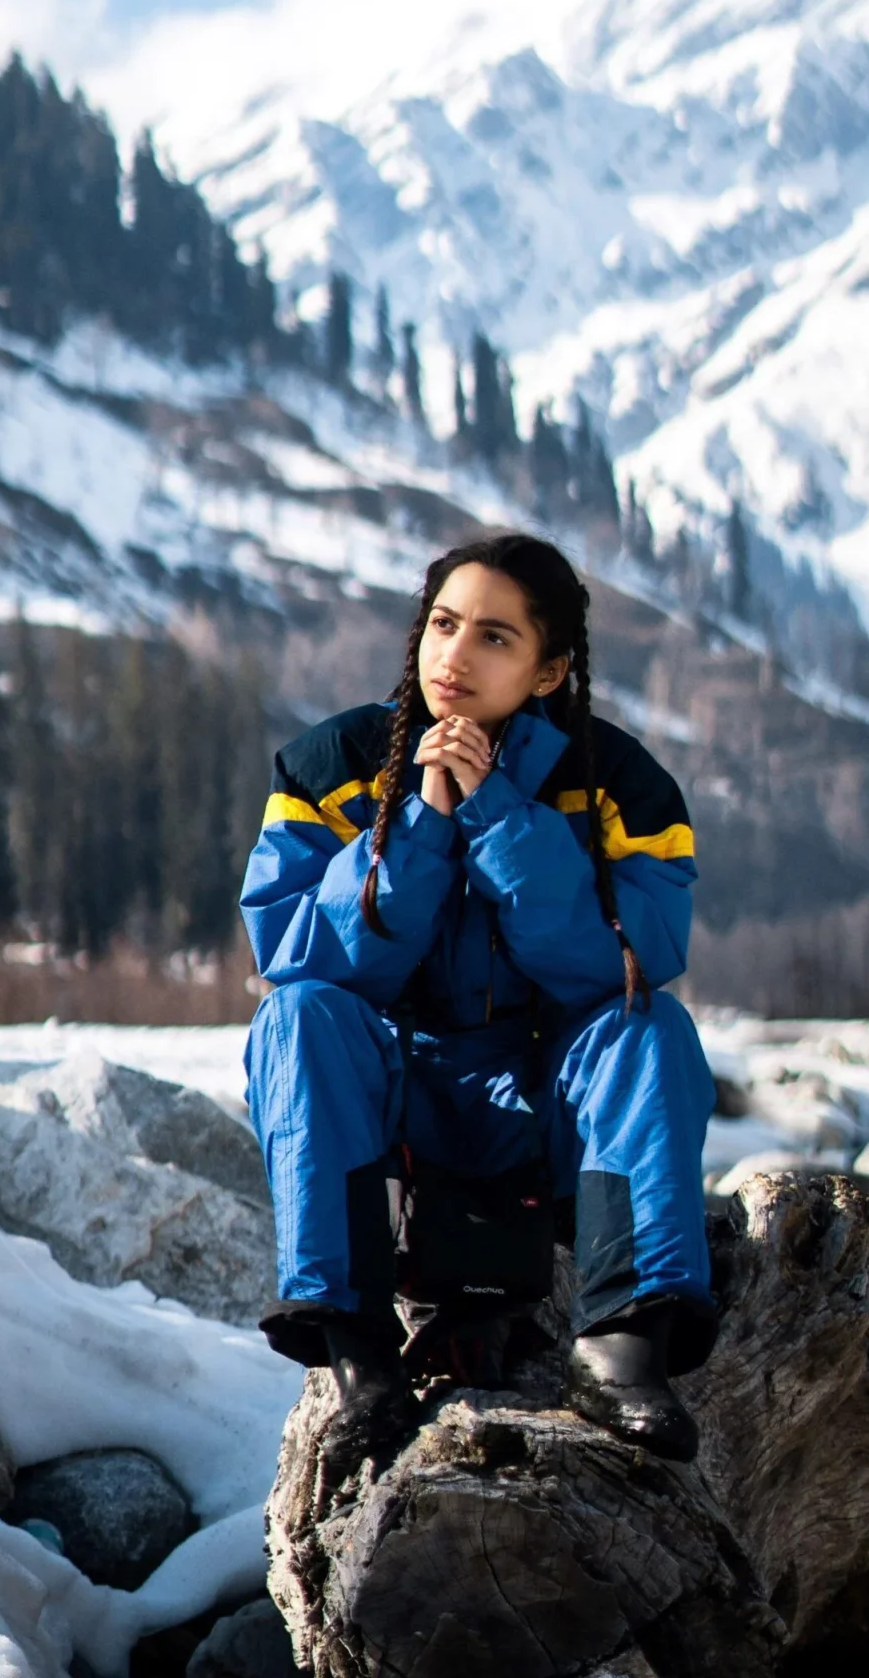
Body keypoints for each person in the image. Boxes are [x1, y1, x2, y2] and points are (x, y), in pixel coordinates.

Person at [239, 532, 716, 1461]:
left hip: (542, 1099)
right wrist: (422, 819)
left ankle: (621, 1348)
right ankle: (356, 1350)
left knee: (647, 1029)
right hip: (395, 1098)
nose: (454, 656)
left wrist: (498, 812)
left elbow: (625, 960)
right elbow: (306, 956)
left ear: (549, 672)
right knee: (296, 1018)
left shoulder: (620, 786)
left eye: (495, 638)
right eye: (444, 625)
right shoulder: (329, 767)